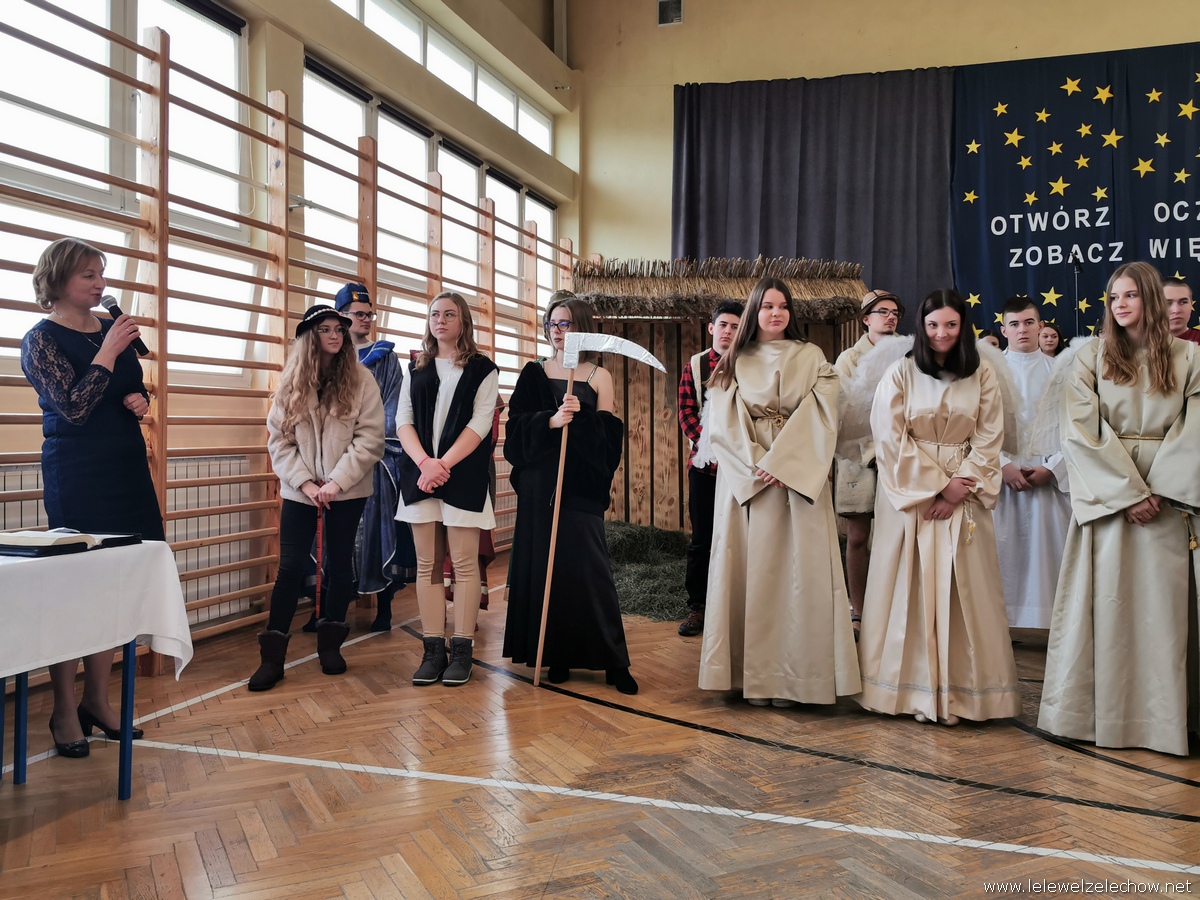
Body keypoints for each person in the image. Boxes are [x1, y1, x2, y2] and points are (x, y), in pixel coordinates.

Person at [1039, 262, 1200, 755]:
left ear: (1150, 298)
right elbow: (1079, 431)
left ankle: (1167, 720)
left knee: (1164, 614)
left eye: (1131, 295)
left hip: (1170, 502)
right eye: (1114, 297)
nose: (1120, 304)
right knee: (1109, 606)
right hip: (1110, 499)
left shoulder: (1190, 356)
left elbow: (1195, 428)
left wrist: (1160, 490)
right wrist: (1129, 493)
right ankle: (1103, 716)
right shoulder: (1090, 355)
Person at [21, 238, 163, 757]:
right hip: (78, 472)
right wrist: (108, 351)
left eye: (101, 274)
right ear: (57, 280)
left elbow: (128, 388)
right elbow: (74, 407)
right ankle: (64, 709)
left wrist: (139, 399)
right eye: (88, 275)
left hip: (125, 466)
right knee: (75, 589)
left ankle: (98, 701)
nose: (100, 284)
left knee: (115, 586)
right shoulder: (40, 340)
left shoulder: (110, 328)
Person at [855, 289, 1021, 725]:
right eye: (932, 325)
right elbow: (888, 437)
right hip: (912, 498)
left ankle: (965, 693)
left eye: (950, 324)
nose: (941, 333)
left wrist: (960, 486)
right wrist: (938, 487)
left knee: (964, 587)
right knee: (907, 584)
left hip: (965, 492)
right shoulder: (900, 371)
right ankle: (906, 692)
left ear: (963, 327)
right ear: (921, 327)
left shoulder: (982, 373)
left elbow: (990, 436)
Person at [697, 277, 861, 707]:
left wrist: (784, 463)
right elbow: (723, 425)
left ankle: (796, 679)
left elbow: (823, 412)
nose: (776, 313)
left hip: (796, 482)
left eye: (783, 305)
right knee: (750, 573)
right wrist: (759, 464)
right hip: (749, 484)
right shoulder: (733, 360)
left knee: (800, 578)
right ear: (755, 311)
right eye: (767, 306)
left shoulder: (812, 357)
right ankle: (751, 678)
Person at [502, 291, 637, 694]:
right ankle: (556, 655)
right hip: (539, 488)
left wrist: (578, 419)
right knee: (548, 571)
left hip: (580, 487)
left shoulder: (598, 377)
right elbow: (515, 429)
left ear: (582, 328)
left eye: (566, 323)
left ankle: (614, 662)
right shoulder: (534, 373)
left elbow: (609, 441)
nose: (558, 331)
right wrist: (551, 420)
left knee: (591, 572)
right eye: (552, 324)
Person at [248, 305, 385, 691]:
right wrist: (306, 484)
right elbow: (279, 440)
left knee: (339, 565)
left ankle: (330, 647)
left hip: (348, 490)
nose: (335, 335)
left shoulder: (361, 379)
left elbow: (370, 438)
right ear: (310, 336)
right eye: (325, 329)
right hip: (300, 492)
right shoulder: (291, 382)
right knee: (290, 567)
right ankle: (272, 659)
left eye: (339, 329)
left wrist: (337, 483)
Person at [397, 291, 499, 687]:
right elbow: (403, 421)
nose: (440, 320)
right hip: (421, 476)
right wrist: (426, 464)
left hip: (463, 476)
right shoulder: (415, 367)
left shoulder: (483, 369)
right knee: (427, 565)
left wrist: (443, 465)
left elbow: (480, 424)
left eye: (449, 314)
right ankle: (433, 650)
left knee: (464, 564)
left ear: (463, 322)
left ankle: (462, 651)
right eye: (434, 314)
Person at [334, 282, 417, 631]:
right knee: (334, 535)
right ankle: (333, 607)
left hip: (374, 458)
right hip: (332, 459)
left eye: (370, 314)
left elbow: (393, 406)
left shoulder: (385, 358)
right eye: (359, 314)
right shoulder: (328, 355)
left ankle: (384, 607)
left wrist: (368, 444)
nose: (366, 319)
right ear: (341, 316)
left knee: (377, 533)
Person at [993, 298, 1073, 630]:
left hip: (1047, 476)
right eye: (1014, 324)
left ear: (1041, 326)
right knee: (1003, 552)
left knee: (1050, 553)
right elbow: (974, 425)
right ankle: (1000, 627)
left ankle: (1055, 627)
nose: (1022, 330)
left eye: (1028, 323)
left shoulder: (1061, 371)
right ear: (1003, 330)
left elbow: (1076, 426)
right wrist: (1002, 465)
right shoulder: (987, 372)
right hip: (1002, 476)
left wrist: (1052, 469)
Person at [834, 289, 904, 636]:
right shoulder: (849, 358)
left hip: (899, 454)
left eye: (895, 312)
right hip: (857, 454)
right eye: (882, 312)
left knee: (895, 536)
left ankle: (893, 609)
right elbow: (844, 406)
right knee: (858, 536)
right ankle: (858, 609)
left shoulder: (907, 354)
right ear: (865, 319)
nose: (890, 317)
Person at [676, 299, 743, 637]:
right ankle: (698, 607)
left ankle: (736, 607)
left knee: (739, 537)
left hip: (742, 467)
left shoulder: (750, 362)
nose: (728, 331)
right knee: (701, 539)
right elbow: (686, 411)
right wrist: (712, 444)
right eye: (723, 325)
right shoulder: (697, 365)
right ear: (711, 327)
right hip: (705, 466)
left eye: (735, 326)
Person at [1163, 276, 1200, 345]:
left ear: (1191, 304)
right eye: (1167, 303)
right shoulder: (1143, 343)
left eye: (1183, 302)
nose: (1176, 310)